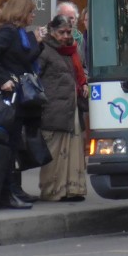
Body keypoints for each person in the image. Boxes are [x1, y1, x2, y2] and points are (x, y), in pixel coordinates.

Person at [0, 0, 45, 208]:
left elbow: (23, 60)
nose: (33, 15)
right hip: (8, 98)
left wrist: (38, 43)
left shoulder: (19, 34)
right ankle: (7, 193)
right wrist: (3, 79)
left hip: (19, 97)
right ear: (21, 13)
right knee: (8, 145)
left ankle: (14, 190)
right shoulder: (8, 32)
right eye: (31, 12)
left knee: (15, 144)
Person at [37, 14, 88, 201]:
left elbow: (77, 73)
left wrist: (83, 84)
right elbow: (35, 76)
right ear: (51, 31)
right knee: (55, 152)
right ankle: (53, 191)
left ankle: (73, 189)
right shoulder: (44, 50)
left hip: (71, 108)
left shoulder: (71, 50)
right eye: (61, 32)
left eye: (68, 32)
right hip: (53, 108)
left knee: (74, 149)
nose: (66, 36)